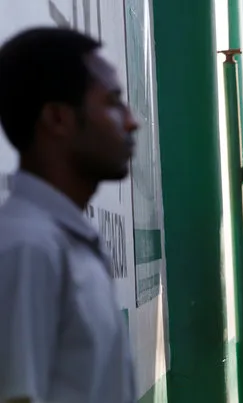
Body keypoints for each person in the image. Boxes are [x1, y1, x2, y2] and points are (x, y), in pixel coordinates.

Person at [0, 28, 138, 403]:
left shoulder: (63, 239)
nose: (131, 121)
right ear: (58, 118)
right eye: (112, 103)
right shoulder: (27, 246)